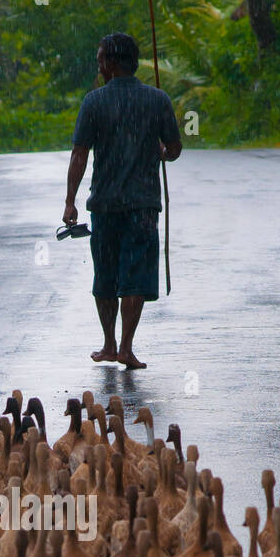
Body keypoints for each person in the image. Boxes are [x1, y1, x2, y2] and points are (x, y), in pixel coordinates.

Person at [63, 33, 182, 369]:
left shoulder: (94, 102)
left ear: (112, 64)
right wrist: (159, 152)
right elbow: (173, 149)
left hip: (105, 205)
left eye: (101, 60)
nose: (99, 67)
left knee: (105, 276)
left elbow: (79, 154)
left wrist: (70, 201)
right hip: (143, 206)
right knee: (135, 277)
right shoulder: (158, 100)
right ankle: (126, 347)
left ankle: (109, 344)